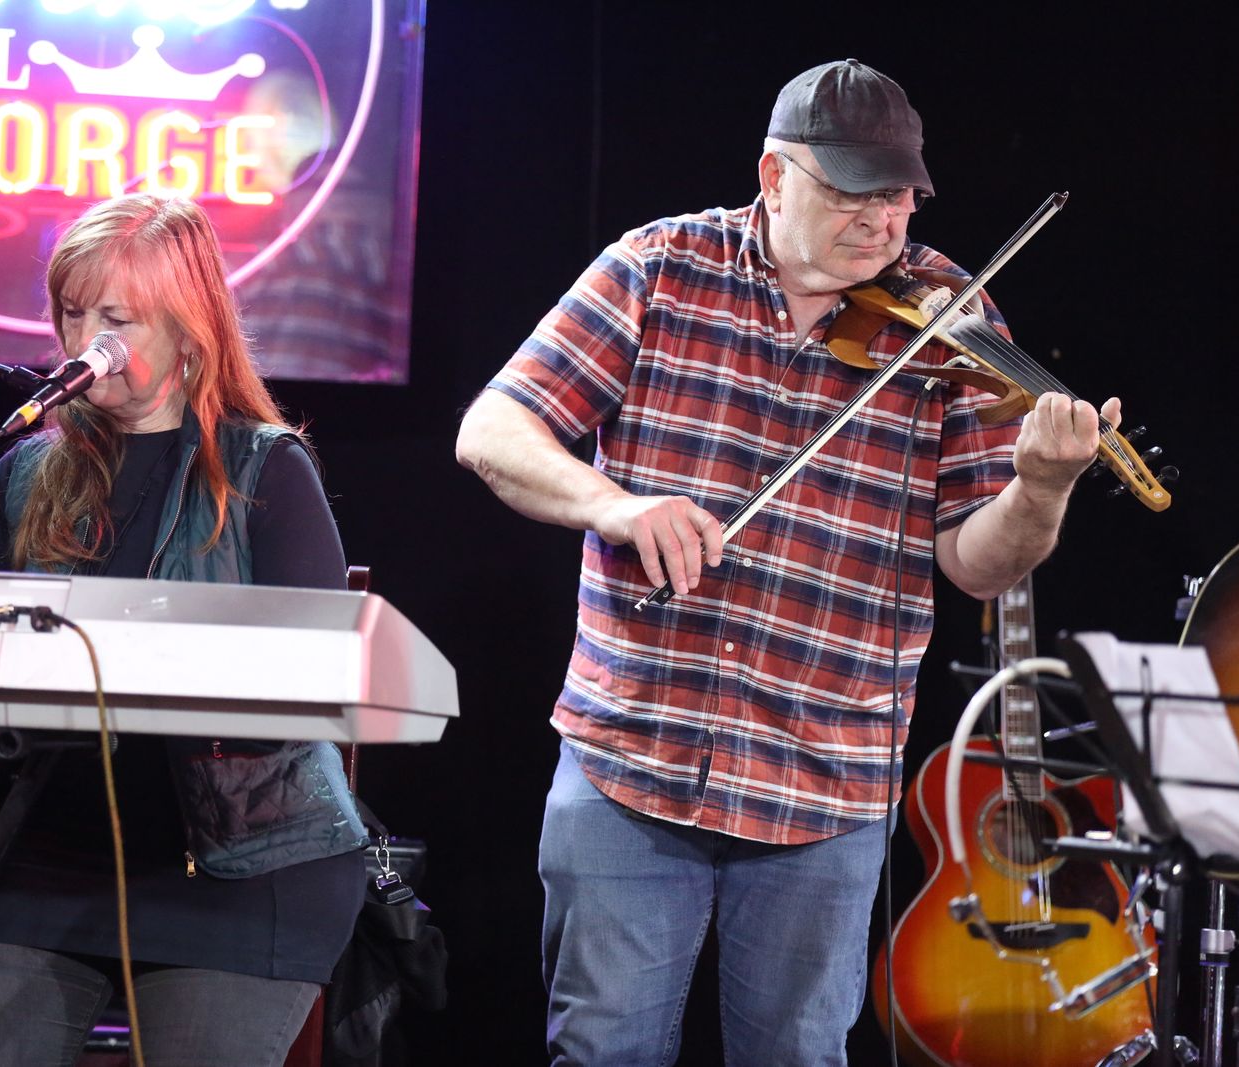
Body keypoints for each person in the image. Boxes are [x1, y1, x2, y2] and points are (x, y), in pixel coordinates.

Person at [454, 59, 1121, 1066]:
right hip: (632, 759)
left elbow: (977, 564)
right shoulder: (660, 267)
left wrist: (1039, 488)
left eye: (899, 196)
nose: (882, 221)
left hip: (826, 787)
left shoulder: (951, 315)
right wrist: (617, 505)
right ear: (773, 176)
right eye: (852, 191)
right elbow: (493, 429)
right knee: (601, 1051)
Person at [0, 192, 367, 1067]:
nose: (86, 339)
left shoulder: (265, 469)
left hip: (238, 868)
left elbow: (323, 675)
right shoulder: (30, 472)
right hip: (44, 857)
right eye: (72, 313)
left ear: (188, 328)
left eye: (116, 318)